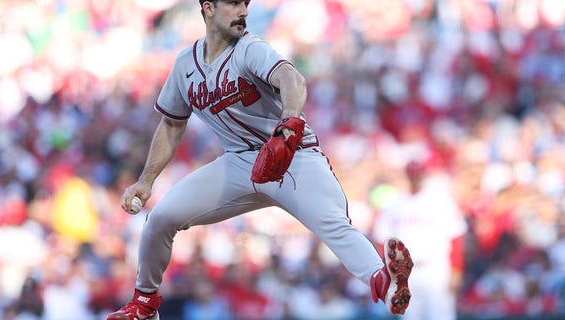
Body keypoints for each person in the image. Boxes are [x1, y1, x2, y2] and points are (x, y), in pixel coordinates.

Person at [106, 1, 413, 319]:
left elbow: (292, 79)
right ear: (208, 8)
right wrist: (146, 180)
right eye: (233, 3)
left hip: (292, 156)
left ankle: (385, 281)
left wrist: (290, 124)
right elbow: (171, 124)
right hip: (238, 163)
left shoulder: (250, 48)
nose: (243, 10)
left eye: (245, 3)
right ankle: (144, 303)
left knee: (333, 224)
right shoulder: (185, 64)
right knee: (160, 219)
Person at [373, 160, 467, 320]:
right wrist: (387, 273)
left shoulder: (440, 201)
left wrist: (456, 270)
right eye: (412, 175)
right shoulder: (394, 203)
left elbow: (456, 237)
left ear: (424, 175)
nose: (415, 178)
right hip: (405, 271)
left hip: (436, 268)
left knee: (441, 316)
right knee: (410, 317)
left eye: (418, 175)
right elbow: (382, 239)